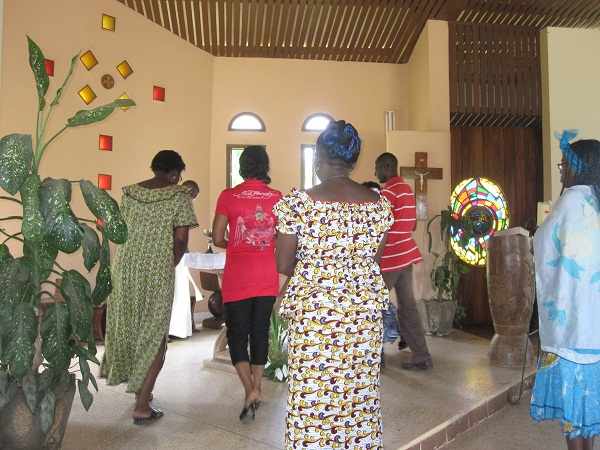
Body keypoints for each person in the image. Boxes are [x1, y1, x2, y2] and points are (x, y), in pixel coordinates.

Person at [275, 121, 393, 449]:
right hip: (362, 316)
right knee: (359, 395)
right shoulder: (379, 206)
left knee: (312, 397)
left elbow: (283, 263)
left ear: (318, 156)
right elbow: (373, 260)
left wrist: (318, 269)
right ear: (353, 160)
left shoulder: (299, 204)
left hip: (316, 316)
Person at [101, 150, 198, 424]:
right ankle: (142, 406)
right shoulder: (178, 195)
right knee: (155, 336)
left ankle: (141, 392)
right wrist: (168, 264)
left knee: (131, 329)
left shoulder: (130, 193)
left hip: (125, 268)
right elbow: (181, 241)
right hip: (157, 270)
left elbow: (120, 230)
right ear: (175, 173)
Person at [531, 131, 600, 450]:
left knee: (574, 415)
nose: (561, 172)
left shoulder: (569, 203)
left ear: (577, 167)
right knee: (591, 411)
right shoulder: (595, 201)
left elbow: (543, 245)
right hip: (596, 330)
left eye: (564, 165)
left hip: (573, 331)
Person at [212, 145, 282, 421]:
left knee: (237, 335)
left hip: (238, 277)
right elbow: (282, 238)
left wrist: (237, 244)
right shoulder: (277, 197)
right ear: (265, 166)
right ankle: (258, 387)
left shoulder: (228, 196)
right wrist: (262, 244)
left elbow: (217, 237)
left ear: (241, 166)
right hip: (266, 276)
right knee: (260, 332)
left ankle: (249, 389)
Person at [375, 152, 433, 370]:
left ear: (386, 167)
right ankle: (421, 356)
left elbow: (380, 229)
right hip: (405, 256)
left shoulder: (388, 192)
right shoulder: (407, 190)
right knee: (408, 308)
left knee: (373, 307)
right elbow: (413, 224)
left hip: (390, 259)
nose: (375, 172)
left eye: (377, 167)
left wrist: (373, 257)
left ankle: (374, 358)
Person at [362, 180, 407, 366]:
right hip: (364, 274)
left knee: (378, 312)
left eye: (377, 194)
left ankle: (378, 355)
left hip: (379, 271)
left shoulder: (383, 217)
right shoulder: (359, 218)